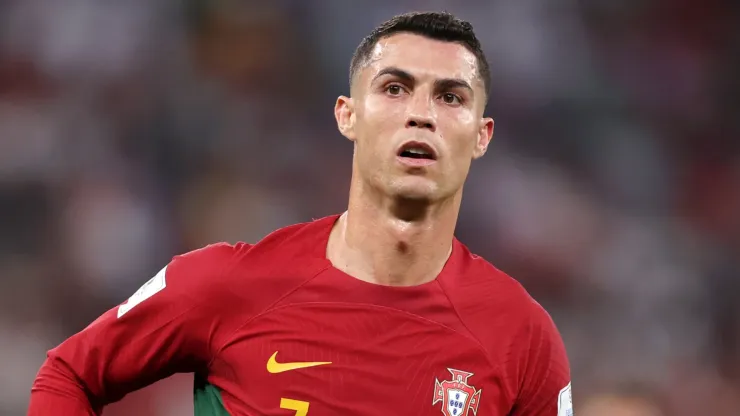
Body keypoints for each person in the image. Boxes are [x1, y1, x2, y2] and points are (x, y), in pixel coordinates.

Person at [29, 11, 572, 416]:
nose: (421, 115)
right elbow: (67, 374)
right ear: (348, 116)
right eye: (395, 88)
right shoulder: (228, 285)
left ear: (482, 135)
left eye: (450, 97)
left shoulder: (523, 336)